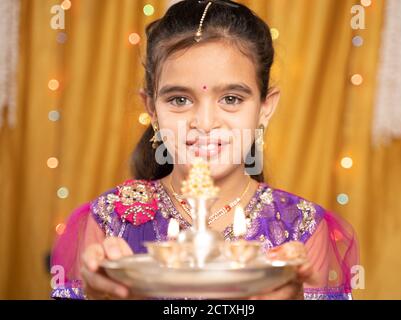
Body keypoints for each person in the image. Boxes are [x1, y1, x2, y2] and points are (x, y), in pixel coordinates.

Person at [51, 0, 358, 300]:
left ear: (265, 107)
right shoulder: (109, 219)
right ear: (152, 109)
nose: (206, 123)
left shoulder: (301, 228)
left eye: (232, 99)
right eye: (180, 100)